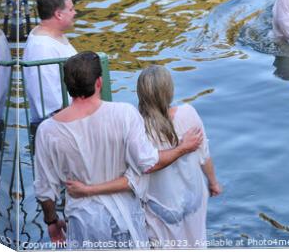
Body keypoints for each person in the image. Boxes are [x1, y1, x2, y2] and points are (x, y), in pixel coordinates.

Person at [33, 52, 204, 249]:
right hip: (125, 220)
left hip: (83, 221)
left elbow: (45, 191)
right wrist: (182, 148)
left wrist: (52, 222)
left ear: (67, 86)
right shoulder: (124, 114)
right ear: (99, 82)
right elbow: (148, 163)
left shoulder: (47, 131)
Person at [66, 65, 221, 249]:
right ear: (169, 90)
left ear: (141, 93)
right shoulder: (188, 113)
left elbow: (133, 179)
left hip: (161, 211)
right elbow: (204, 155)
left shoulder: (137, 129)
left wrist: (88, 190)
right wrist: (213, 183)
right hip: (193, 201)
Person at [22, 0, 78, 142]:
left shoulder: (55, 34)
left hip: (69, 122)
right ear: (59, 14)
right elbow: (50, 101)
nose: (75, 13)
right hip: (58, 131)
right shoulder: (42, 48)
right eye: (71, 9)